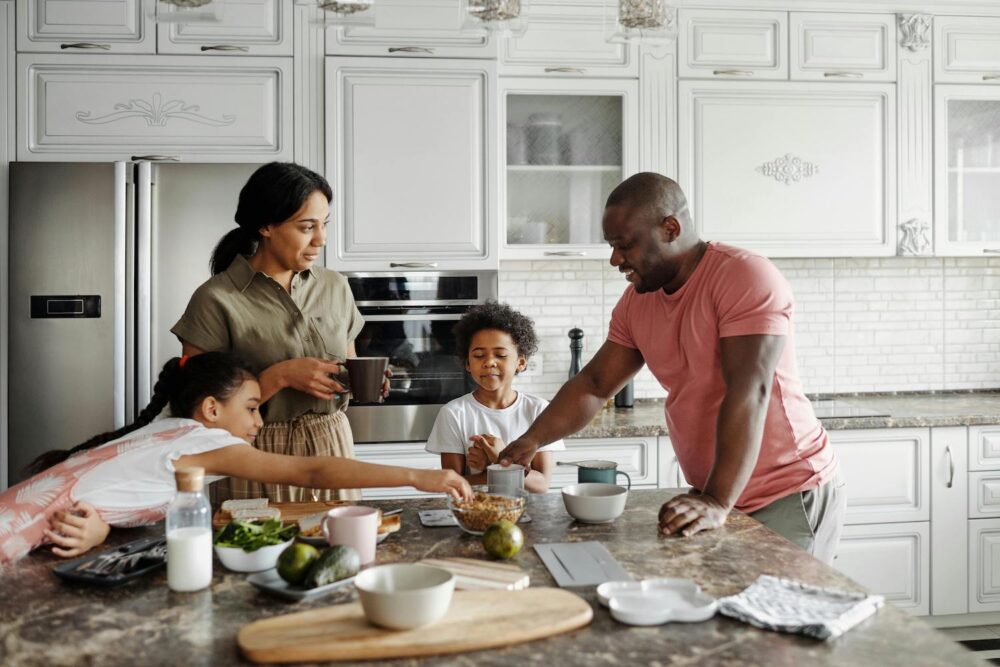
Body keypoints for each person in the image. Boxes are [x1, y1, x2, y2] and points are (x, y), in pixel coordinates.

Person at [499, 173, 845, 564]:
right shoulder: (637, 302)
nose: (615, 259)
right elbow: (594, 385)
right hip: (715, 495)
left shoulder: (744, 276)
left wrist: (716, 499)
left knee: (781, 620)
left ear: (670, 228)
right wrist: (532, 439)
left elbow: (749, 391)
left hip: (785, 492)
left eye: (624, 245)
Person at [1, 353, 471, 566]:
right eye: (251, 408)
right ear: (210, 410)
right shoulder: (202, 441)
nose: (259, 422)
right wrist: (419, 475)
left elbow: (111, 493)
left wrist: (101, 528)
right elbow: (310, 470)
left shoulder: (165, 431)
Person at [171, 162, 381, 504]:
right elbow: (198, 414)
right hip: (255, 454)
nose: (321, 240)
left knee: (342, 552)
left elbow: (348, 364)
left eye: (324, 225)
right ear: (266, 226)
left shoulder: (335, 287)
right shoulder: (215, 299)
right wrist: (280, 376)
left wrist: (360, 380)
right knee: (257, 552)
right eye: (306, 227)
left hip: (333, 444)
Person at [426, 301, 563, 493]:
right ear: (467, 364)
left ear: (521, 362)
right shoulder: (453, 413)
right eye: (479, 355)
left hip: (529, 516)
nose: (489, 362)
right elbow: (453, 486)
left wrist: (499, 460)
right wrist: (498, 467)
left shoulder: (539, 410)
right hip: (476, 515)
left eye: (500, 354)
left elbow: (541, 485)